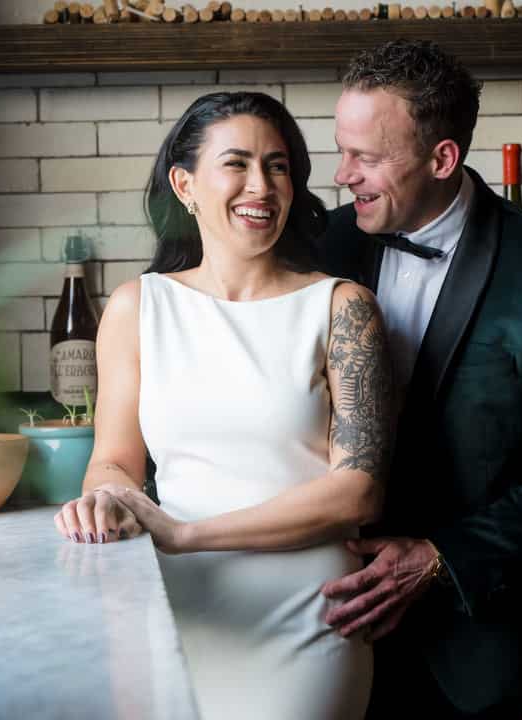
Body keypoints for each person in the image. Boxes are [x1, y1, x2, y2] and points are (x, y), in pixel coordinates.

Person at [52, 91, 394, 720]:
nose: (261, 186)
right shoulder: (137, 308)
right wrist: (106, 498)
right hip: (178, 605)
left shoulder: (343, 308)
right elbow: (114, 463)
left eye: (278, 165)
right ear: (185, 183)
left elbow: (358, 494)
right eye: (236, 164)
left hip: (309, 614)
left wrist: (186, 535)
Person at [314, 40, 522, 719]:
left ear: (442, 158)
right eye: (342, 150)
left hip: (474, 644)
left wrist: (436, 559)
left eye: (365, 157)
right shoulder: (321, 246)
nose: (342, 175)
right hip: (321, 628)